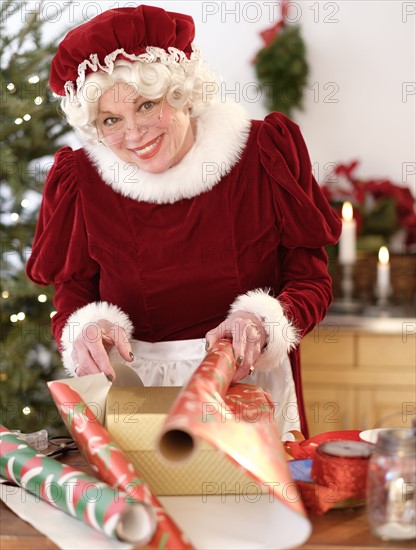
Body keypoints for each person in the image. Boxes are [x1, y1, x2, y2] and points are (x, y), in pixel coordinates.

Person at [26, 4, 341, 438]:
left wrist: (258, 322)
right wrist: (85, 330)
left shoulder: (262, 155)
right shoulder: (82, 182)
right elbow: (72, 298)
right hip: (134, 404)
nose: (134, 134)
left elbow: (312, 282)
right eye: (111, 120)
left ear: (180, 94)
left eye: (147, 105)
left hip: (248, 391)